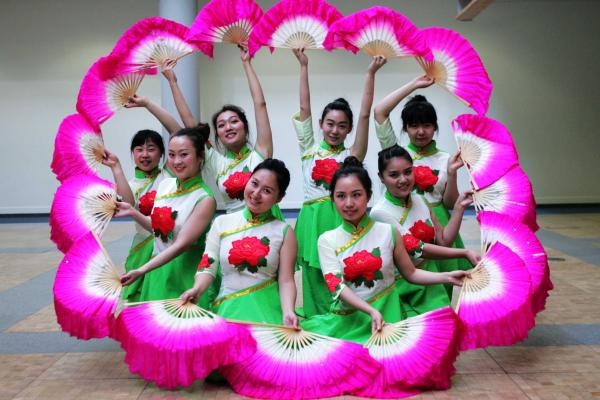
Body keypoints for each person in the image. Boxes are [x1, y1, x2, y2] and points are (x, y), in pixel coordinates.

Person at [301, 156, 468, 343]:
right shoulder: (327, 240)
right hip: (350, 320)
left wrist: (448, 277)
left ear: (369, 195)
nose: (349, 203)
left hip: (390, 316)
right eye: (341, 196)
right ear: (332, 199)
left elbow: (411, 273)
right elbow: (337, 288)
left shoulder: (388, 231)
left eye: (356, 194)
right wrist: (370, 310)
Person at [292, 48, 387, 317]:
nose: (335, 130)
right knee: (314, 275)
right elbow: (304, 107)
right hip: (312, 220)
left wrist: (370, 74)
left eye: (342, 125)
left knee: (346, 271)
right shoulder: (308, 147)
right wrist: (303, 66)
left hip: (342, 218)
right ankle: (316, 321)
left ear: (348, 129)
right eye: (330, 124)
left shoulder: (352, 155)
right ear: (321, 124)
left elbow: (366, 114)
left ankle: (347, 321)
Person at [145, 50, 280, 217]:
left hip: (269, 222)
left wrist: (246, 63)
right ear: (217, 134)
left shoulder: (261, 153)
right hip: (234, 228)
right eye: (221, 125)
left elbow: (260, 104)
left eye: (234, 121)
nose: (228, 127)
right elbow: (190, 124)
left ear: (245, 126)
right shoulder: (217, 162)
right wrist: (172, 82)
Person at [374, 78, 471, 292]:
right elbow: (379, 111)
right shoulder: (397, 153)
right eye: (414, 125)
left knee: (444, 282)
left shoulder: (446, 158)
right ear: (405, 128)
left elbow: (449, 202)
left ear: (435, 127)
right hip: (402, 221)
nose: (420, 131)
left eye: (426, 125)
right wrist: (413, 85)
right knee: (408, 279)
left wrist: (453, 174)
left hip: (439, 224)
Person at [181, 158, 298, 328]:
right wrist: (197, 288)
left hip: (266, 314)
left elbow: (286, 280)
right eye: (254, 183)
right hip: (228, 310)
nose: (256, 193)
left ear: (279, 198)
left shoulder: (284, 231)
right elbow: (208, 266)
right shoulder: (221, 223)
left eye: (266, 190)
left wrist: (288, 311)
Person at [371, 145, 480, 314]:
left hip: (431, 276)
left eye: (408, 172)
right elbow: (417, 249)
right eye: (394, 175)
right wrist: (463, 252)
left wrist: (459, 208)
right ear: (381, 177)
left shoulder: (420, 199)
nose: (403, 179)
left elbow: (443, 241)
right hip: (405, 286)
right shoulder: (380, 212)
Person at [117, 125, 216, 304]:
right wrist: (133, 212)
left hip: (185, 273)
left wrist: (142, 269)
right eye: (171, 155)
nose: (176, 161)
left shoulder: (204, 199)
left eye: (184, 154)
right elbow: (158, 229)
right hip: (157, 269)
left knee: (183, 328)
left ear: (200, 156)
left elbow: (180, 245)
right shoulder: (166, 185)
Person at [102, 130, 168, 278]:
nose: (145, 154)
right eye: (139, 149)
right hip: (143, 247)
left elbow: (176, 130)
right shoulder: (130, 185)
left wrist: (147, 104)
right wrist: (116, 167)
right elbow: (128, 204)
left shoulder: (169, 174)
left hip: (171, 244)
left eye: (151, 149)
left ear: (162, 153)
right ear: (133, 153)